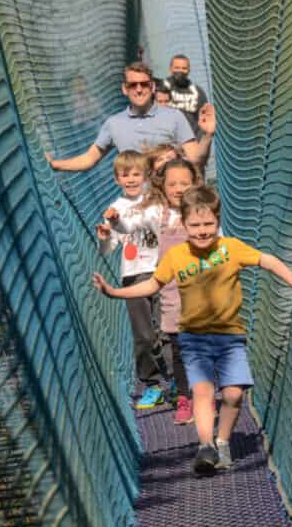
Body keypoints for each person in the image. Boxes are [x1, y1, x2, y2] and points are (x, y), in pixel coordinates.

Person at [93, 186, 292, 475]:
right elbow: (152, 285)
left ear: (218, 222)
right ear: (184, 225)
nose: (202, 231)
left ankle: (223, 440)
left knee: (234, 395)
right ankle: (205, 446)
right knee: (202, 391)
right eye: (195, 225)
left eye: (208, 224)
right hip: (193, 338)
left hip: (230, 337)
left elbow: (269, 260)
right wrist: (114, 292)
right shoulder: (176, 256)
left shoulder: (231, 248)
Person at [102, 158, 201, 425]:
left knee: (185, 336)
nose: (178, 189)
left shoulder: (195, 210)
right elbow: (129, 228)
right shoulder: (151, 211)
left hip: (194, 282)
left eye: (184, 183)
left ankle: (195, 388)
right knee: (160, 335)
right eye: (172, 184)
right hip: (156, 279)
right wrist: (113, 226)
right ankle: (176, 389)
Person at [46, 62, 214, 172]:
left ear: (153, 87)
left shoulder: (174, 116)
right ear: (125, 89)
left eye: (144, 84)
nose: (139, 89)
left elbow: (195, 160)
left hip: (171, 203)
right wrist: (56, 165)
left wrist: (207, 135)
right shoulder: (114, 123)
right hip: (138, 206)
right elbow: (90, 158)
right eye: (133, 85)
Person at [96, 151, 166, 409]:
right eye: (125, 175)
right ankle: (152, 384)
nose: (131, 179)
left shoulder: (156, 202)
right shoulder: (116, 208)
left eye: (136, 174)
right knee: (144, 335)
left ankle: (179, 382)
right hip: (133, 275)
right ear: (116, 179)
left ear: (146, 176)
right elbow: (106, 250)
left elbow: (157, 229)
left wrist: (119, 223)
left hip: (160, 269)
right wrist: (105, 235)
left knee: (166, 329)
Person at [162, 54, 209, 138]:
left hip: (192, 142)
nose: (180, 71)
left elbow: (205, 118)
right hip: (166, 142)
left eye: (184, 68)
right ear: (170, 69)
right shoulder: (161, 89)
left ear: (189, 70)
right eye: (177, 68)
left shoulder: (197, 92)